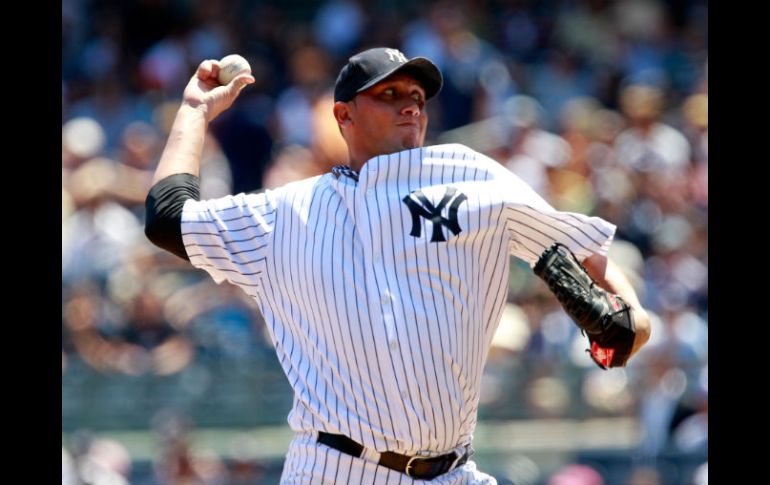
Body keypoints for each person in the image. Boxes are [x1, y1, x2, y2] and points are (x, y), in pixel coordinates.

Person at [145, 47, 650, 484]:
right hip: (334, 467)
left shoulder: (466, 172)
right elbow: (169, 218)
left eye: (416, 96)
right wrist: (194, 110)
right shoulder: (283, 213)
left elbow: (581, 249)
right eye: (388, 95)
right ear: (343, 116)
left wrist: (632, 314)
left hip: (453, 470)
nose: (409, 104)